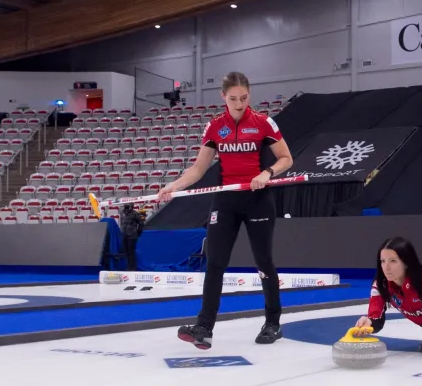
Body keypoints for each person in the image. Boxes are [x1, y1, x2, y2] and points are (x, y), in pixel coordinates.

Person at [156, 71, 294, 349]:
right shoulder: (214, 127)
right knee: (216, 263)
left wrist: (267, 173)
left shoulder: (263, 123)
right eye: (233, 99)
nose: (239, 104)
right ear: (223, 97)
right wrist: (174, 185)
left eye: (244, 98)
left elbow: (286, 159)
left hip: (257, 199)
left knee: (263, 261)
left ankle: (273, 322)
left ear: (249, 95)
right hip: (225, 200)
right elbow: (197, 169)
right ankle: (204, 327)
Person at [119, 203, 144, 271]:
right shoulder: (122, 213)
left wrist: (138, 232)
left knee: (131, 252)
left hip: (132, 235)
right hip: (124, 234)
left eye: (128, 206)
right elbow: (121, 222)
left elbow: (141, 223)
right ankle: (128, 267)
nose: (126, 207)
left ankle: (133, 268)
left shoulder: (135, 214)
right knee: (126, 252)